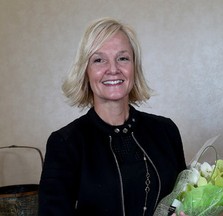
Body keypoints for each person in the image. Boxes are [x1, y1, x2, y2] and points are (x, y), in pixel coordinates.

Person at [38, 17, 187, 216]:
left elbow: (183, 200)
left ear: (134, 66)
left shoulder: (166, 131)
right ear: (85, 71)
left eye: (122, 58)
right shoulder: (66, 143)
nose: (113, 69)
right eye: (99, 60)